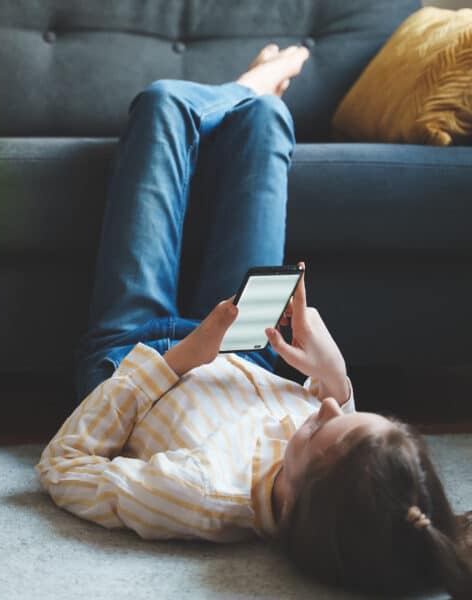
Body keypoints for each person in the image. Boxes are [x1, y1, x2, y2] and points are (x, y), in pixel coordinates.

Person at [35, 44, 472, 598]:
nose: (329, 407)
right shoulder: (340, 480)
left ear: (288, 498)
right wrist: (334, 377)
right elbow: (346, 438)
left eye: (320, 424)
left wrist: (175, 362)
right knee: (268, 120)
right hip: (244, 348)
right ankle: (256, 96)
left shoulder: (198, 493)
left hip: (136, 350)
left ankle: (252, 81)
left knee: (164, 102)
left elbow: (62, 466)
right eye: (356, 412)